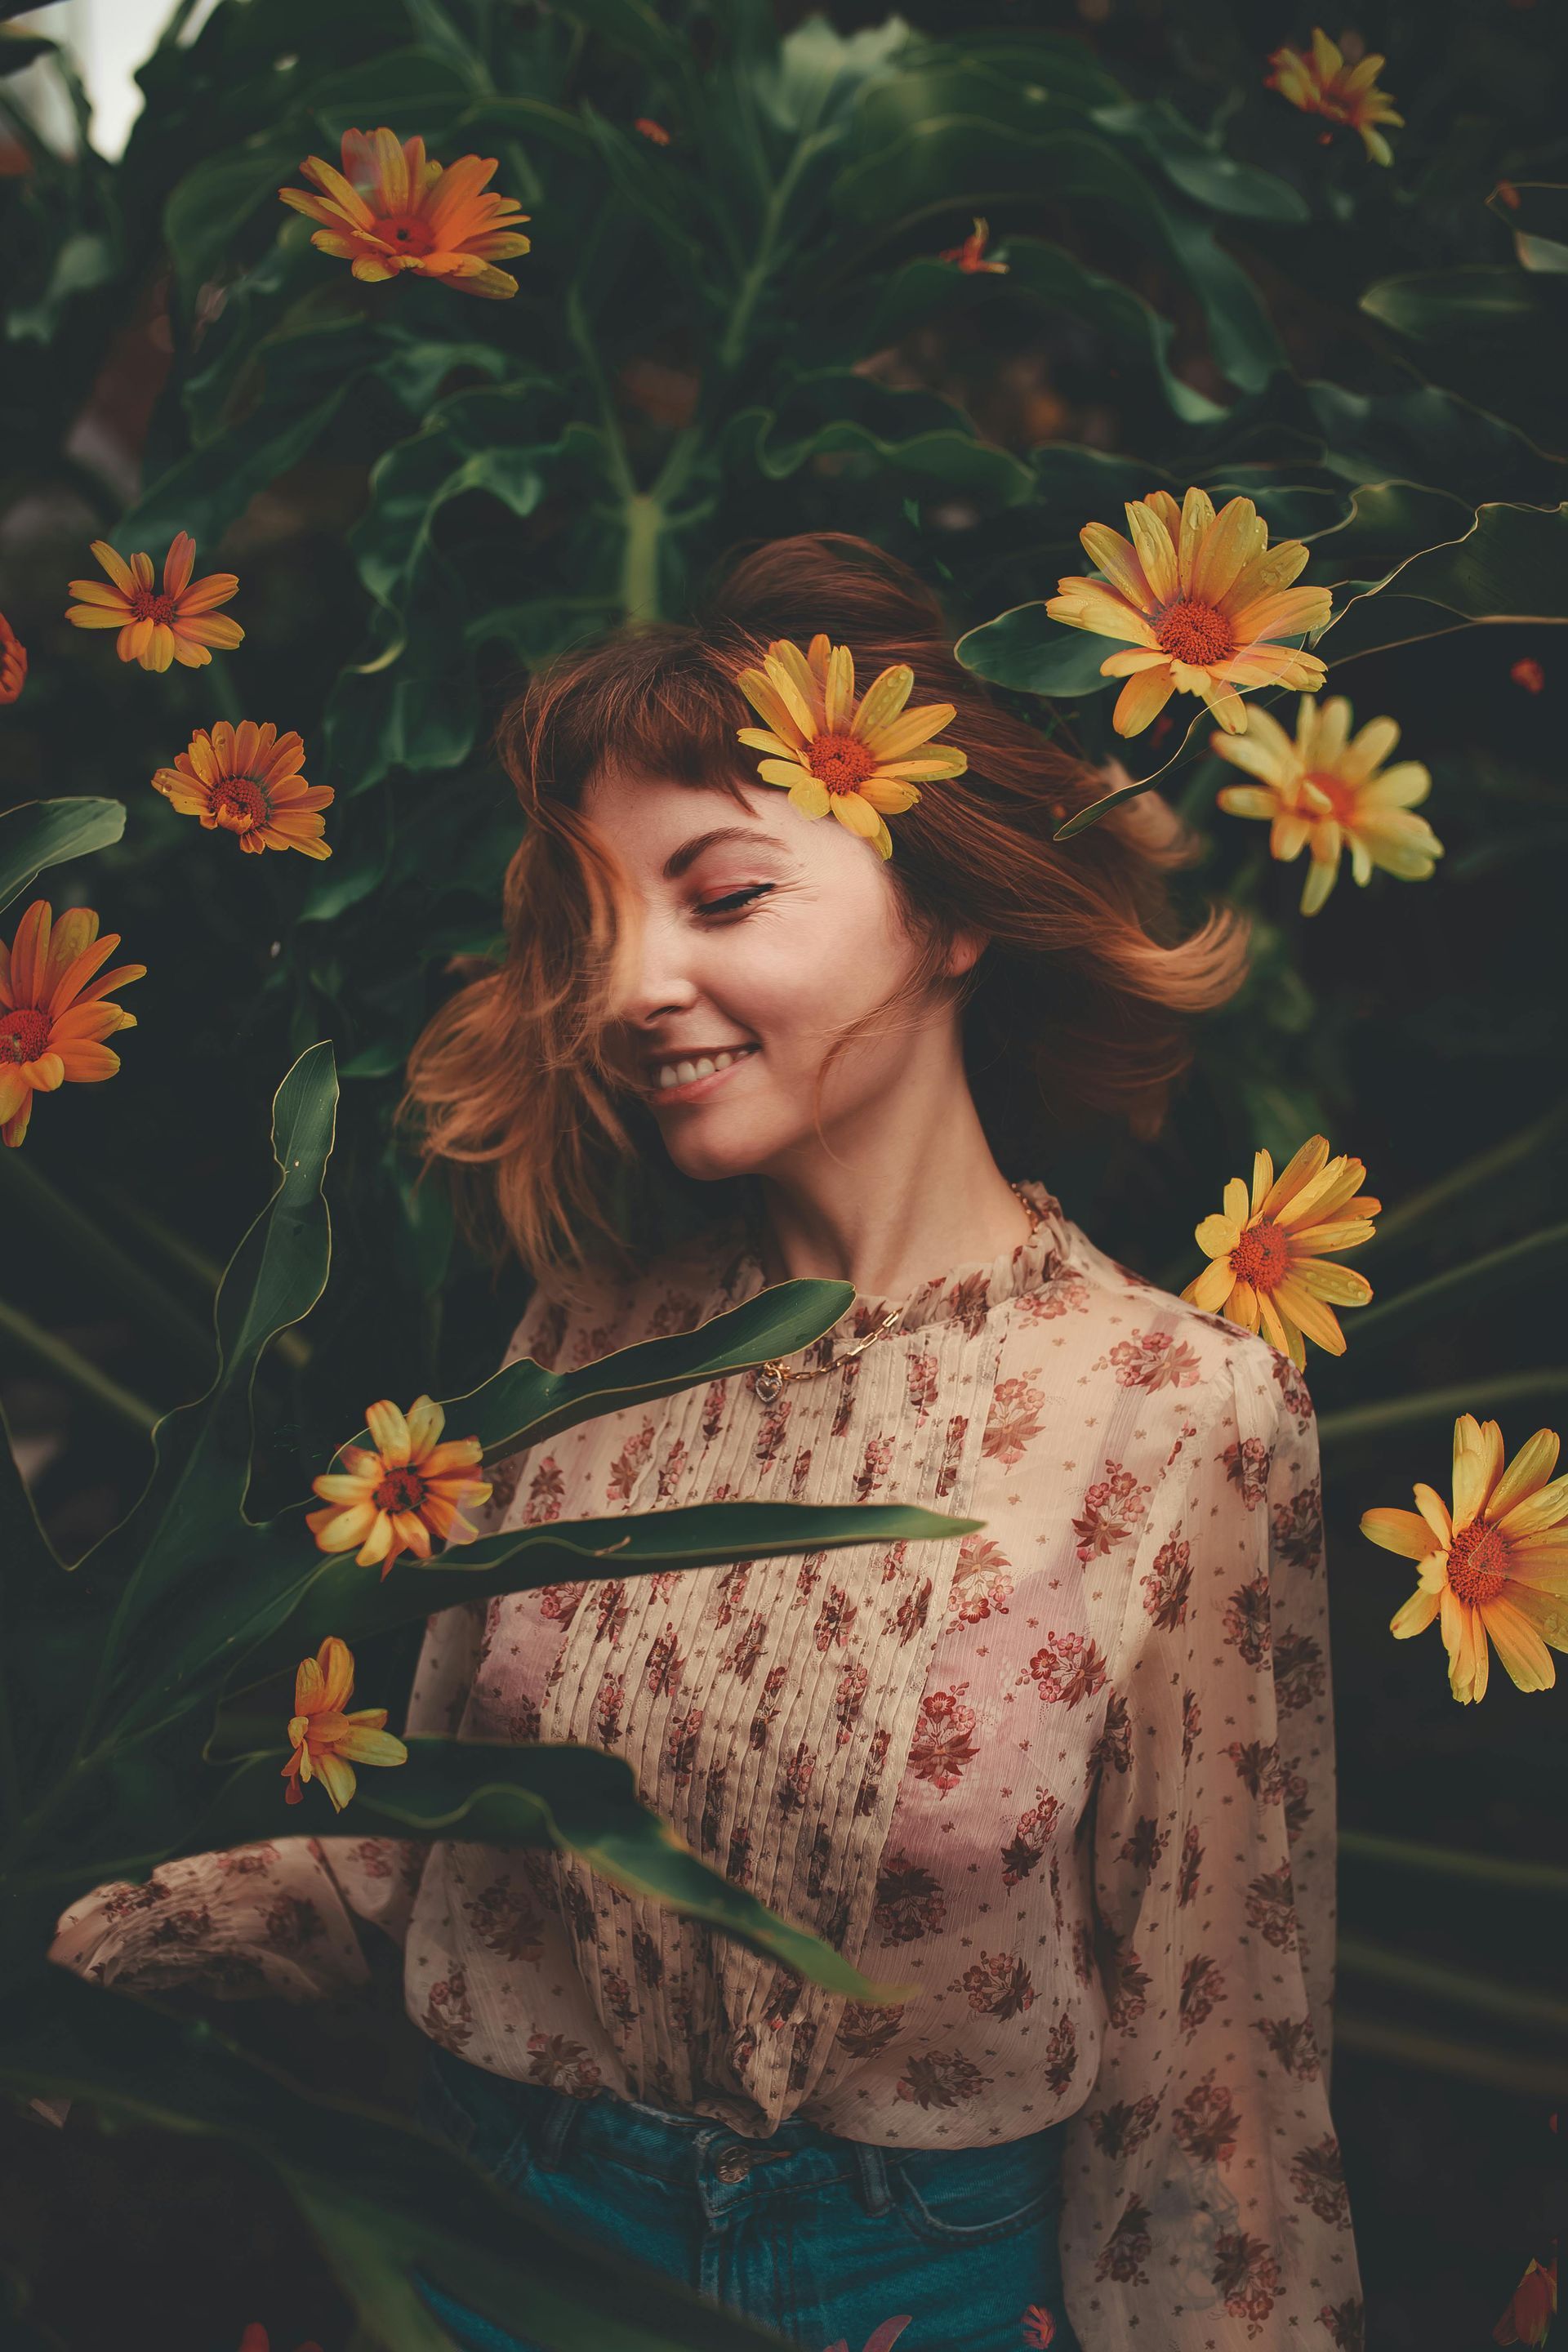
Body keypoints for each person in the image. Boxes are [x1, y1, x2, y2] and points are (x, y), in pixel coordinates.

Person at [50, 533, 1364, 2352]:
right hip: (510, 2239)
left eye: (723, 896)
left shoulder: (1171, 1411)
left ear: (954, 912)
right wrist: (99, 1918)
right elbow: (442, 1840)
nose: (627, 986)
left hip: (914, 2281)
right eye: (599, 921)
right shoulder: (583, 1337)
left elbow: (1214, 2049)